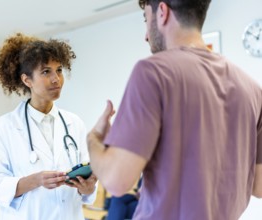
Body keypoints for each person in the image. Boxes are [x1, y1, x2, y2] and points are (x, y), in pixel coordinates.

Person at [87, 0, 262, 220]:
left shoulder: (153, 72)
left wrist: (94, 141)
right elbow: (259, 186)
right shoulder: (253, 89)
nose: (146, 35)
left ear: (162, 12)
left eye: (146, 19)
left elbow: (116, 181)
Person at [0, 33, 97, 220]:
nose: (56, 79)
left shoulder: (74, 124)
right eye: (45, 72)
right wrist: (36, 180)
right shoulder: (0, 129)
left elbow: (89, 186)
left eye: (59, 70)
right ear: (27, 80)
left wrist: (88, 188)